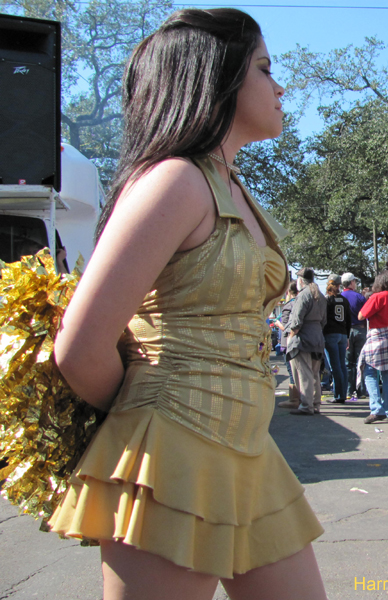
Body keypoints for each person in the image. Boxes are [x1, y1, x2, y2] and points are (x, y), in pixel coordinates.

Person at [48, 9, 326, 598]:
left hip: (250, 449)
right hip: (168, 452)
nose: (281, 87)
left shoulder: (233, 185)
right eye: (264, 68)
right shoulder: (172, 181)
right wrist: (148, 410)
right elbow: (79, 346)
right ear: (216, 78)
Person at [358, 271, 388, 424]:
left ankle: (376, 409)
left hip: (376, 335)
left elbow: (361, 315)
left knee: (369, 371)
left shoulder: (377, 297)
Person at [287, 268, 328, 415]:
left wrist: (291, 337)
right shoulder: (321, 296)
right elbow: (324, 320)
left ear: (300, 280)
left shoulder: (303, 295)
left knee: (304, 373)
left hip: (303, 338)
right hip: (317, 337)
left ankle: (306, 406)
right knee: (315, 373)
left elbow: (296, 321)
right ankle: (316, 404)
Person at [323, 275, 351, 404]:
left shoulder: (327, 300)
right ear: (340, 285)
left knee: (335, 366)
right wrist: (348, 335)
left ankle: (338, 395)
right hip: (343, 333)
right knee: (342, 366)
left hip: (331, 333)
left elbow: (323, 319)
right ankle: (343, 393)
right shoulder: (344, 300)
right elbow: (349, 320)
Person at [341, 272, 367, 400]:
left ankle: (348, 390)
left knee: (347, 362)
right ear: (351, 282)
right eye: (355, 281)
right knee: (360, 362)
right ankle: (361, 390)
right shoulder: (359, 297)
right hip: (360, 330)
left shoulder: (340, 297)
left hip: (345, 332)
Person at [276, 281, 300, 408]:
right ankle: (301, 398)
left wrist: (278, 324)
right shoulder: (300, 302)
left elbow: (286, 327)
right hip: (299, 341)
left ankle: (293, 399)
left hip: (288, 341)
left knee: (292, 373)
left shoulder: (288, 306)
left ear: (288, 292)